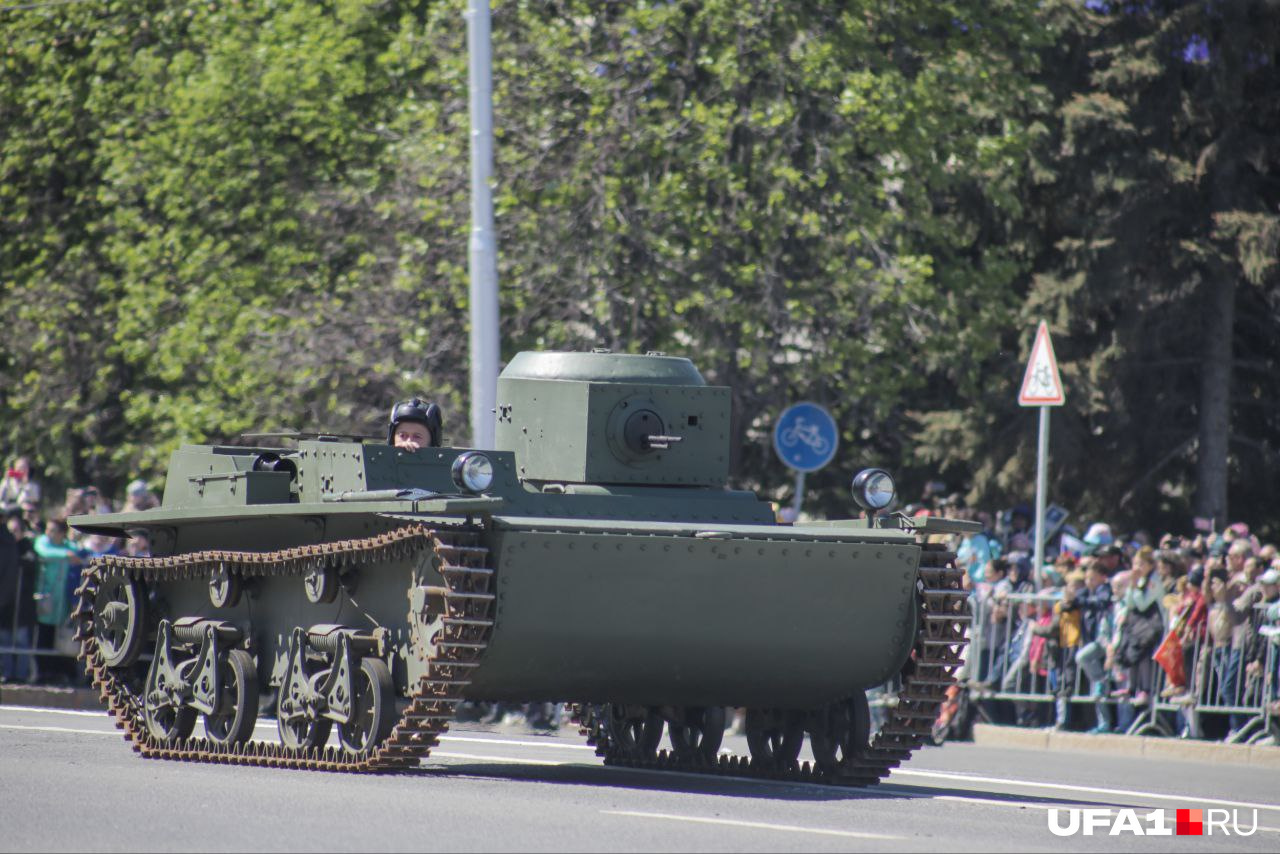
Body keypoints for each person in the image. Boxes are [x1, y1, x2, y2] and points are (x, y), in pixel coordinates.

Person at [32, 517, 85, 684]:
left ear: (62, 534)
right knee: (44, 637)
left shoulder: (68, 546)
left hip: (63, 603)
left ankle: (61, 674)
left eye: (53, 530)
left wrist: (71, 550)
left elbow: (77, 551)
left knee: (63, 640)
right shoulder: (44, 542)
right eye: (48, 529)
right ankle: (43, 673)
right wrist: (66, 555)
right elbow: (42, 550)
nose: (48, 533)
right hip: (47, 600)